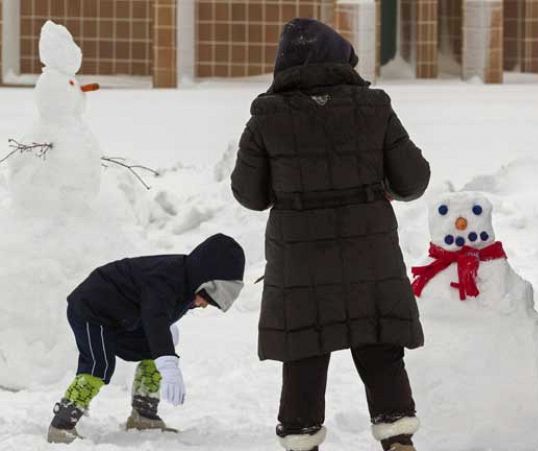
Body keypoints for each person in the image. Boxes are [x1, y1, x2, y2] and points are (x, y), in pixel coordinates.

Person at [231, 18, 430, 451]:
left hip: (299, 258)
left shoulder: (266, 116)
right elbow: (413, 180)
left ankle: (302, 439)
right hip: (370, 249)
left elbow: (249, 195)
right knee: (379, 344)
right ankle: (398, 439)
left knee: (304, 350)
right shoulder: (373, 107)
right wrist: (383, 187)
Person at [47, 233, 246, 444]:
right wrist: (169, 365)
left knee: (158, 346)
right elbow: (155, 320)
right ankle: (62, 424)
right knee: (100, 364)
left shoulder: (186, 284)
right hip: (91, 310)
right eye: (207, 296)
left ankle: (143, 413)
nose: (205, 304)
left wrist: (165, 351)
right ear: (203, 278)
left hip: (122, 320)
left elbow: (158, 325)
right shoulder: (167, 278)